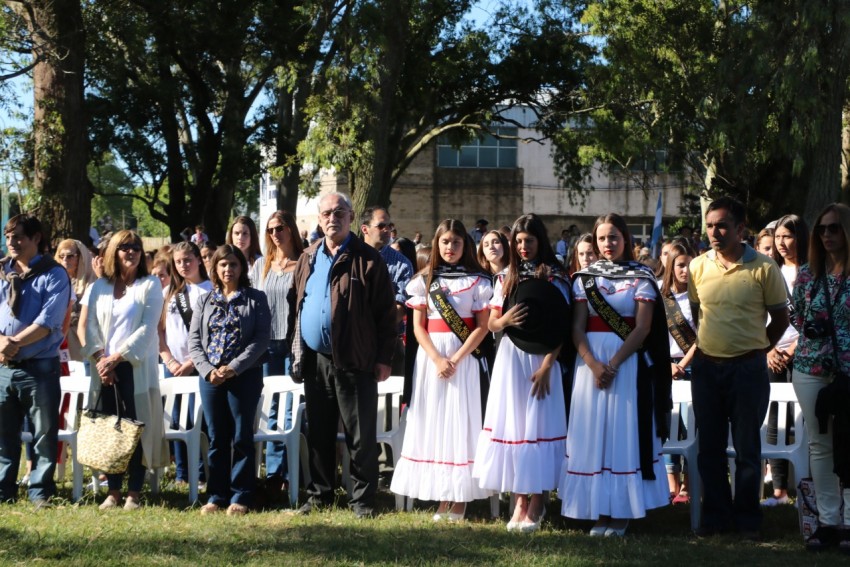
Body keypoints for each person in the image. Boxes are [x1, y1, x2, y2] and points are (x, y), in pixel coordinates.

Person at [561, 213, 671, 537]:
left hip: (627, 365)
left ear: (625, 239)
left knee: (622, 433)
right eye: (601, 238)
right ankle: (598, 510)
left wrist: (613, 364)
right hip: (590, 366)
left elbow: (643, 327)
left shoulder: (641, 277)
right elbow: (577, 326)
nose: (607, 244)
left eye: (613, 237)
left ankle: (621, 512)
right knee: (593, 434)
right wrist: (594, 364)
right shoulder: (584, 279)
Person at [687, 196, 789, 538]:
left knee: (748, 450)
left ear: (740, 228)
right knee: (710, 449)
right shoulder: (698, 266)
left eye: (722, 225)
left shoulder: (764, 267)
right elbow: (698, 312)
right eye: (710, 225)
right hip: (706, 369)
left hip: (748, 370)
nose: (714, 232)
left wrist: (760, 348)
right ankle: (716, 517)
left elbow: (781, 318)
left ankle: (747, 520)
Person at [290, 191, 396, 519]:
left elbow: (386, 315)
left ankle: (362, 501)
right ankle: (319, 495)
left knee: (360, 435)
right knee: (319, 432)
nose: (332, 218)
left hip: (356, 359)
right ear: (318, 220)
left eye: (339, 212)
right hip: (316, 360)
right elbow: (299, 304)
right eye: (326, 214)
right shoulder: (307, 258)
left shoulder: (367, 259)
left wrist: (383, 358)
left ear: (351, 218)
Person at [390, 219, 493, 520]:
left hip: (465, 361)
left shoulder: (478, 280)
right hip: (431, 361)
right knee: (435, 424)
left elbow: (483, 327)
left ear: (466, 245)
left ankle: (459, 499)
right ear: (436, 244)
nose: (450, 247)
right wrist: (437, 359)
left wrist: (456, 359)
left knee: (461, 425)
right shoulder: (424, 280)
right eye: (445, 242)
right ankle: (442, 498)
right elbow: (418, 328)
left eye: (456, 242)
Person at [474, 213, 571, 533]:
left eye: (529, 240)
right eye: (518, 241)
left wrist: (546, 367)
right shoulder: (506, 276)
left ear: (540, 241)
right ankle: (518, 500)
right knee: (514, 426)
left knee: (538, 425)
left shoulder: (555, 275)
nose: (523, 246)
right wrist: (505, 322)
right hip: (511, 359)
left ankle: (539, 499)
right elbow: (492, 323)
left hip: (542, 361)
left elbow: (562, 326)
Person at [84, 230, 168, 510]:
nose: (130, 252)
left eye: (135, 247)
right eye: (124, 247)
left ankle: (134, 491)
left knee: (135, 427)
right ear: (113, 253)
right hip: (104, 369)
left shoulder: (150, 285)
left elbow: (147, 328)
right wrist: (102, 360)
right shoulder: (99, 287)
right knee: (112, 428)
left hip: (135, 368)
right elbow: (90, 327)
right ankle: (114, 491)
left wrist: (116, 358)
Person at [188, 245, 271, 515]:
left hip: (243, 377)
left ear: (241, 268)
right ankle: (216, 495)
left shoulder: (256, 298)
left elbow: (260, 340)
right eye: (222, 265)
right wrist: (208, 370)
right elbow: (195, 342)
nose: (228, 269)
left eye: (233, 264)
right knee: (216, 437)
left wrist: (234, 368)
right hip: (211, 378)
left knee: (241, 436)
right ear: (214, 268)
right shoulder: (204, 300)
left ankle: (241, 496)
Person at [790, 203, 850, 551]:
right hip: (810, 368)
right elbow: (798, 314)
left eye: (835, 228)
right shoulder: (808, 273)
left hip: (847, 371)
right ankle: (828, 523)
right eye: (822, 229)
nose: (827, 235)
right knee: (821, 446)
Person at [0, 214, 71, 508]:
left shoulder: (54, 274)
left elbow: (49, 322)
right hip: (4, 368)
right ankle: (3, 492)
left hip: (40, 367)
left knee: (43, 434)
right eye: (8, 237)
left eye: (18, 237)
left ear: (36, 238)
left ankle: (40, 492)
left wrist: (13, 342)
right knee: (4, 436)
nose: (12, 243)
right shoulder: (2, 271)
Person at [250, 210, 303, 492]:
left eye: (280, 228)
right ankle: (274, 474)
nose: (275, 234)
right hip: (266, 344)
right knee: (271, 408)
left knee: (292, 410)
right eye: (270, 230)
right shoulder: (262, 265)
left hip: (293, 342)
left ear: (291, 229)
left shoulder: (304, 262)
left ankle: (293, 471)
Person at [157, 241, 212, 487]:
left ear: (199, 260)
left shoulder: (211, 289)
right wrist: (167, 358)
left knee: (198, 420)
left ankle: (201, 473)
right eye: (178, 262)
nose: (183, 266)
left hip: (199, 366)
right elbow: (159, 330)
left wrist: (192, 362)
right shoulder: (168, 293)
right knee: (176, 419)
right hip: (172, 367)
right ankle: (181, 474)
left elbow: (213, 334)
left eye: (188, 260)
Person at [763, 213, 808, 507]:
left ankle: (808, 485)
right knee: (775, 422)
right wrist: (768, 349)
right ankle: (779, 490)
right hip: (770, 353)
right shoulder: (768, 271)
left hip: (803, 354)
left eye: (787, 236)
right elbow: (756, 315)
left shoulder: (813, 271)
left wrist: (792, 350)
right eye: (777, 237)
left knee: (805, 419)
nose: (781, 243)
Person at [659, 242, 697, 504]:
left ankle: (689, 484)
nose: (685, 270)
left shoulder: (699, 296)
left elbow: (704, 335)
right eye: (680, 265)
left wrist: (683, 364)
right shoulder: (658, 297)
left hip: (693, 365)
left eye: (689, 264)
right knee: (668, 424)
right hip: (665, 366)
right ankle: (671, 484)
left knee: (690, 425)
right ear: (670, 266)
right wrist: (668, 365)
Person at [360, 207, 413, 376]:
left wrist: (372, 329)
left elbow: (401, 307)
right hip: (353, 343)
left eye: (389, 225)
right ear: (365, 229)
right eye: (381, 225)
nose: (387, 230)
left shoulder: (401, 264)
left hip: (387, 344)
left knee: (389, 400)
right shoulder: (350, 257)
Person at [54, 239, 95, 363]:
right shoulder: (54, 281)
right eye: (62, 256)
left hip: (82, 339)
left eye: (70, 256)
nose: (65, 259)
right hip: (59, 339)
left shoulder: (92, 282)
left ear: (80, 258)